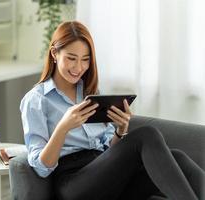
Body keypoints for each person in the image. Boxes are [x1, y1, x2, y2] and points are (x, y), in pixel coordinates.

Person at [20, 21, 205, 200]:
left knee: (178, 158)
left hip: (106, 176)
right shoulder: (36, 100)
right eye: (71, 58)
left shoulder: (89, 94)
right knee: (146, 134)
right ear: (54, 53)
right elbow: (41, 168)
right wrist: (63, 127)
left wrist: (120, 130)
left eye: (85, 60)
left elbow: (108, 149)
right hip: (73, 184)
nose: (78, 68)